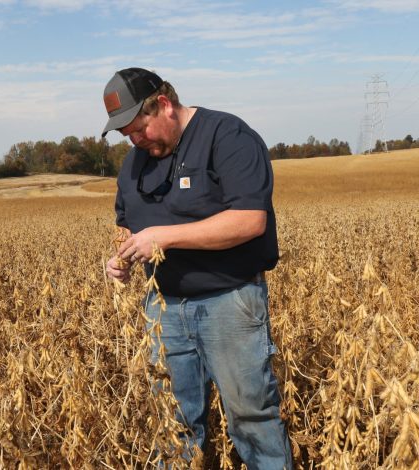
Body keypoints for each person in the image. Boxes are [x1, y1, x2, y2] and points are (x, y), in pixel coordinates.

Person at [102, 67, 291, 469]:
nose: (135, 140)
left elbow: (249, 220)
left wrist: (165, 237)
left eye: (139, 129)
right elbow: (126, 222)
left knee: (251, 418)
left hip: (229, 302)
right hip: (164, 309)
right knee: (173, 423)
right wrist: (120, 259)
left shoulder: (228, 137)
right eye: (127, 136)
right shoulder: (135, 161)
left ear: (165, 105)